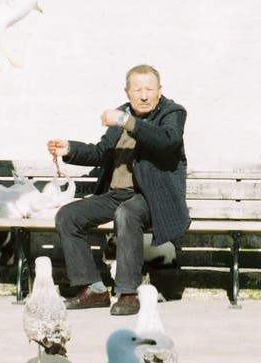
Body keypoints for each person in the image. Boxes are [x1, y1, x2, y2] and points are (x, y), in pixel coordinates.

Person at [46, 64, 189, 316]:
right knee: (68, 216)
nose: (143, 95)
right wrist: (69, 149)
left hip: (151, 198)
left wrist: (126, 121)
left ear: (159, 91)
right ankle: (94, 289)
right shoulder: (121, 114)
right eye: (137, 89)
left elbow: (168, 141)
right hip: (116, 196)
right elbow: (101, 153)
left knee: (127, 213)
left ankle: (128, 292)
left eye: (149, 89)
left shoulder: (172, 113)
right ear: (127, 92)